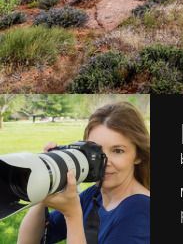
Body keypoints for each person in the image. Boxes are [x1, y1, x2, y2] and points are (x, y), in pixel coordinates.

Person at [17, 102, 150, 244]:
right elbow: (29, 241)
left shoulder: (141, 210)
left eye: (118, 151)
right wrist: (47, 184)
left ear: (138, 155)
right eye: (96, 151)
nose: (104, 162)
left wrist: (72, 215)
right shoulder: (94, 196)